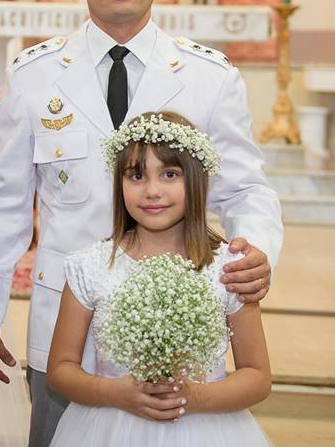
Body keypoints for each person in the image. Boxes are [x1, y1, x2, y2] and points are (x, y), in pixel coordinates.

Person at [0, 0, 283, 447]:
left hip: (177, 325)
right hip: (64, 331)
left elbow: (246, 189)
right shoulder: (34, 74)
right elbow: (2, 205)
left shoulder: (209, 76)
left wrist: (255, 251)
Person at [46, 111, 272, 446]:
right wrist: (115, 393)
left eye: (169, 174)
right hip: (109, 428)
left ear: (196, 179)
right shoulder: (90, 267)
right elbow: (60, 369)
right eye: (136, 176)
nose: (152, 191)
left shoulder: (229, 269)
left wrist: (193, 397)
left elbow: (258, 377)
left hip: (206, 429)